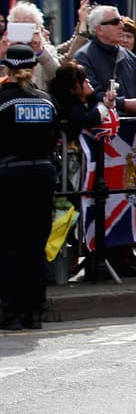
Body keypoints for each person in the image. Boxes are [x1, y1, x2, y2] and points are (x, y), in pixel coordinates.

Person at [0, 45, 59, 330]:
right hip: (42, 175)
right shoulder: (46, 101)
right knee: (35, 245)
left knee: (10, 245)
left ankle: (10, 313)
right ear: (33, 67)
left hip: (10, 176)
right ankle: (35, 312)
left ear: (7, 69)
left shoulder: (2, 101)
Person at [74, 5, 136, 117]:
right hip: (103, 129)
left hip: (135, 128)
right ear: (99, 29)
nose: (121, 25)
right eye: (115, 22)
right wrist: (125, 104)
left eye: (121, 20)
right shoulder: (83, 57)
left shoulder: (130, 56)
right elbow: (91, 94)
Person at [6, 2, 60, 92]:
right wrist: (3, 53)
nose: (21, 27)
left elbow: (56, 75)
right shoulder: (5, 47)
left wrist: (39, 51)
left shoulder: (46, 49)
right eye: (17, 22)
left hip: (37, 99)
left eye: (26, 23)